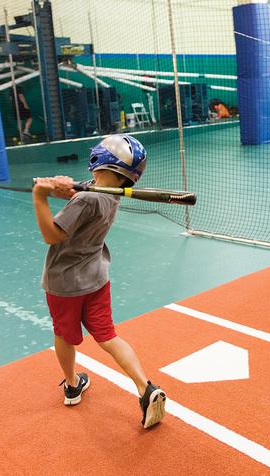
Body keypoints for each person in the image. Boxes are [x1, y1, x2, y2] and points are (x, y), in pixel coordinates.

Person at [32, 133, 166, 429]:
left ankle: (72, 385)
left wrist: (40, 197)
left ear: (100, 159)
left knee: (65, 335)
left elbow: (51, 235)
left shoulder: (86, 200)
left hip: (65, 284)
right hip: (96, 278)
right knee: (107, 335)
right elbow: (88, 199)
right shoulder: (112, 194)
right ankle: (145, 387)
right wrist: (69, 193)